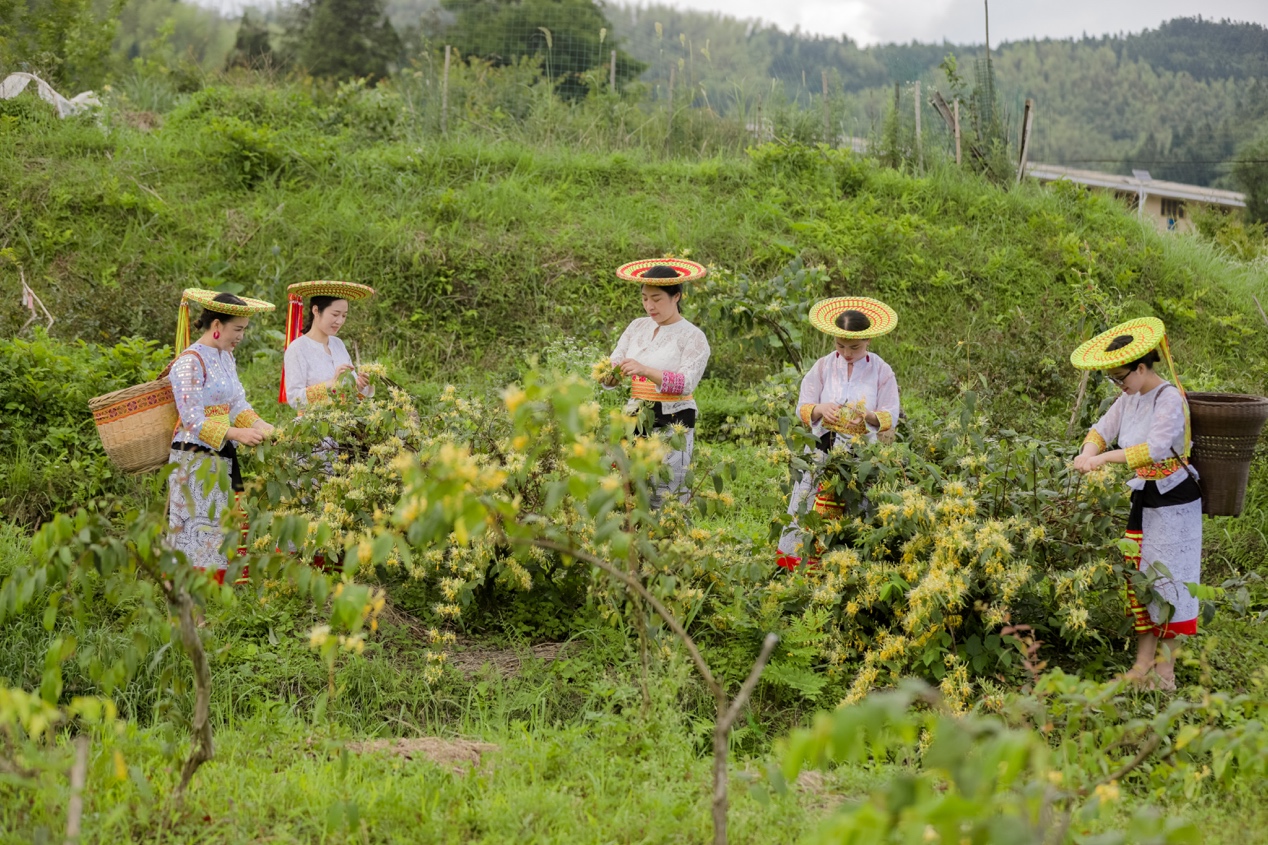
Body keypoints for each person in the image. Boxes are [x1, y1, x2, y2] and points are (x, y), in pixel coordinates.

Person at [1070, 316, 1200, 692]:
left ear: (1141, 368)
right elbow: (1101, 430)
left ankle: (1166, 671)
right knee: (1142, 576)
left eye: (1121, 377)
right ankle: (1142, 664)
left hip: (1175, 500)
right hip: (1144, 497)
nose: (1119, 385)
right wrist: (1087, 452)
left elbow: (1154, 449)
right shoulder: (1128, 398)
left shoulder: (1169, 398)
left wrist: (1103, 460)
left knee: (1170, 580)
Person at [777, 296, 900, 570]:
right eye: (840, 345)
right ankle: (802, 565)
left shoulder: (881, 370)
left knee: (855, 506)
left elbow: (890, 414)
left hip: (860, 454)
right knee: (810, 507)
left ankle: (846, 566)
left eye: (854, 347)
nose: (846, 353)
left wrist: (867, 416)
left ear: (868, 341)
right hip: (823, 447)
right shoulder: (822, 366)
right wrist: (820, 409)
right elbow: (803, 407)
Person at [168, 289, 276, 581]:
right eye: (237, 329)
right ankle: (189, 608)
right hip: (194, 455)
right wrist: (237, 433)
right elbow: (191, 420)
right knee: (196, 529)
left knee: (221, 524)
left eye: (244, 330)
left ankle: (211, 603)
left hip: (223, 450)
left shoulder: (226, 357)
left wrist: (263, 427)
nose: (240, 336)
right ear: (216, 326)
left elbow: (237, 404)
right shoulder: (189, 361)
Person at [606, 259, 711, 508]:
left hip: (673, 419)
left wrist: (644, 370)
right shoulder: (637, 327)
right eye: (644, 298)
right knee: (627, 487)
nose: (649, 306)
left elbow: (686, 383)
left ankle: (668, 541)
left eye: (656, 299)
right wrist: (610, 375)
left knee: (665, 491)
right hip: (635, 415)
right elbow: (613, 364)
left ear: (676, 297)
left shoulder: (693, 336)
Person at [279, 281, 377, 410]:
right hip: (314, 425)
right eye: (335, 314)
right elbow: (295, 399)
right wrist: (331, 384)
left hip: (348, 421)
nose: (340, 321)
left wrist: (360, 384)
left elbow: (351, 393)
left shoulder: (338, 344)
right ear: (316, 311)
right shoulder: (297, 349)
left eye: (344, 315)